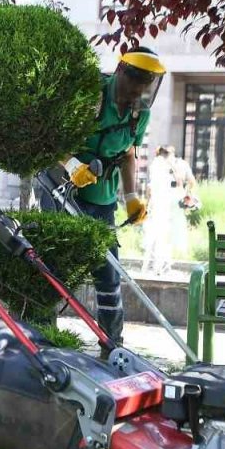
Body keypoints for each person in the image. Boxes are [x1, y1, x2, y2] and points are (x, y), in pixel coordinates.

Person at [54, 46, 166, 352]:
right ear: (120, 74)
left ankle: (112, 343)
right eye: (132, 88)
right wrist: (71, 164)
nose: (134, 96)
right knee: (56, 266)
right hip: (64, 191)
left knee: (108, 269)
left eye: (142, 90)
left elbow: (128, 153)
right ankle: (43, 338)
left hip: (103, 196)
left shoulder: (140, 110)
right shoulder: (90, 97)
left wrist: (131, 196)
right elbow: (52, 140)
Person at [142, 145, 176, 276]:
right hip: (161, 206)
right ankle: (159, 267)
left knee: (155, 236)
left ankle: (152, 266)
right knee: (160, 236)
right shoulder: (162, 165)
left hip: (157, 205)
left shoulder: (156, 165)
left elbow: (150, 188)